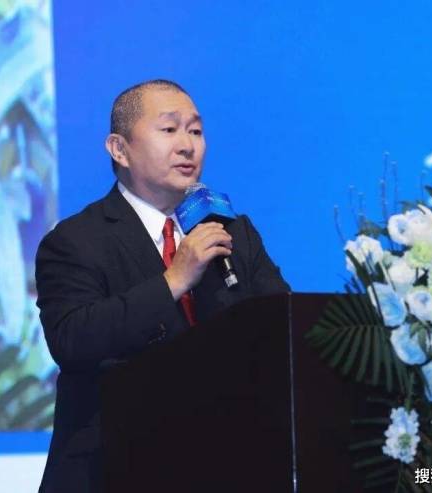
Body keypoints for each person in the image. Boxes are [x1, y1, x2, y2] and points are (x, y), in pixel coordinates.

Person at [35, 79, 289, 492]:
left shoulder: (233, 233)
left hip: (225, 465)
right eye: (169, 129)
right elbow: (73, 340)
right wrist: (173, 280)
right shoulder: (75, 240)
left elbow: (283, 328)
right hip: (114, 469)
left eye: (196, 131)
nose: (187, 145)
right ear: (119, 149)